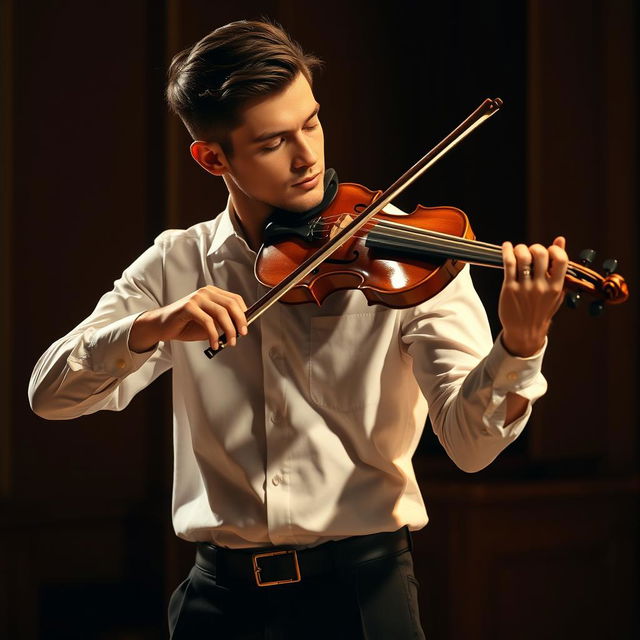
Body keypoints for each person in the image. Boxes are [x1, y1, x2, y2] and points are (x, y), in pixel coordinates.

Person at [28, 18, 568, 640]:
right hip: (216, 603)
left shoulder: (414, 251)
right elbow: (49, 396)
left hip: (362, 596)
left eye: (311, 122)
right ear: (211, 157)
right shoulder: (179, 262)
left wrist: (520, 346)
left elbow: (473, 448)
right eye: (271, 142)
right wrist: (151, 327)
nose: (308, 156)